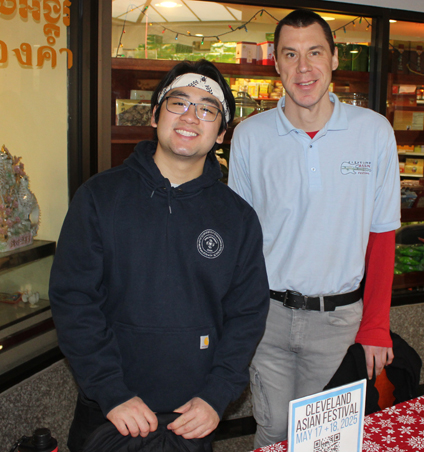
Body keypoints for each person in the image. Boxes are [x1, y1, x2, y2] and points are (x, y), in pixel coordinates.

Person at [49, 59, 269, 452]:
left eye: (207, 109)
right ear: (154, 115)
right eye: (178, 103)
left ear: (221, 133)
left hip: (193, 417)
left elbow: (247, 315)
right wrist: (111, 391)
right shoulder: (99, 198)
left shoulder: (238, 218)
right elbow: (74, 301)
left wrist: (217, 395)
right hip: (109, 413)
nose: (190, 117)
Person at [228, 9, 401, 447]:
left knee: (328, 440)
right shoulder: (250, 136)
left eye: (314, 53)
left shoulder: (374, 132)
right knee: (272, 432)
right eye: (291, 54)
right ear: (277, 64)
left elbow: (382, 237)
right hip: (267, 320)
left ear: (335, 58)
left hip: (340, 322)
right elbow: (239, 242)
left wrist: (376, 326)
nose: (303, 67)